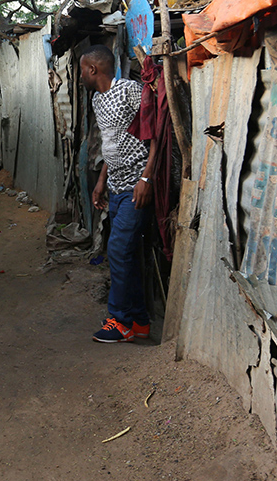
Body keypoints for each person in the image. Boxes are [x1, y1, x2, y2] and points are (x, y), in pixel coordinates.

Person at [80, 44, 158, 342]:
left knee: (117, 249)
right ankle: (139, 321)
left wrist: (147, 178)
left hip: (137, 186)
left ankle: (120, 321)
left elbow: (156, 132)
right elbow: (110, 143)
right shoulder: (98, 100)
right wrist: (102, 180)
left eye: (81, 71)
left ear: (93, 69)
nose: (80, 77)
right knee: (127, 254)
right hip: (115, 185)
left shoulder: (129, 91)